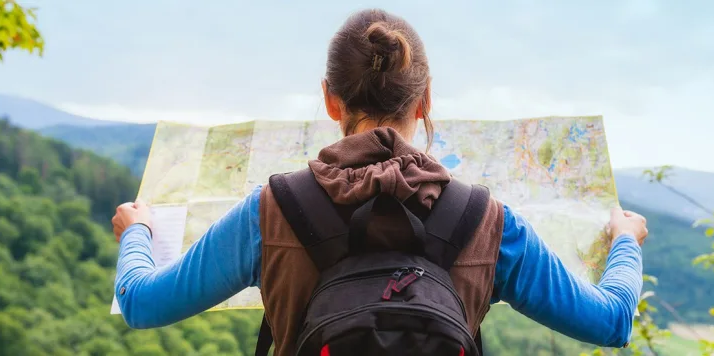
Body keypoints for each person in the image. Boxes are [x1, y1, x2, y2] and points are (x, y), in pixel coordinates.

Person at [112, 8, 647, 356]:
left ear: (330, 99)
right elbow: (611, 322)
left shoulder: (271, 211)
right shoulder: (489, 222)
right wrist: (624, 241)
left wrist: (137, 231)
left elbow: (142, 303)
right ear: (426, 100)